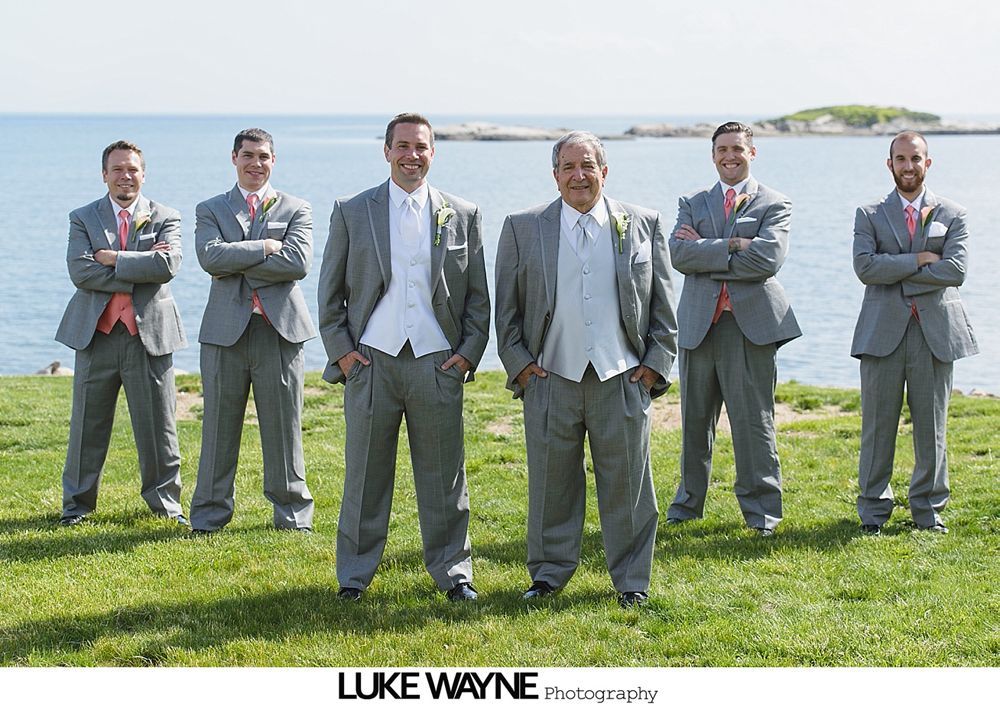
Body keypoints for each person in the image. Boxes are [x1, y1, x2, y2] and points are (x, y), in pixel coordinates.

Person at [494, 131, 677, 607]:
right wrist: (522, 369)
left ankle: (632, 580)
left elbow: (662, 305)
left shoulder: (643, 223)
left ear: (604, 171)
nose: (579, 176)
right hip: (551, 376)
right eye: (569, 167)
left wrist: (654, 367)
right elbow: (506, 311)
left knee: (630, 485)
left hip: (621, 376)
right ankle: (549, 574)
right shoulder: (522, 226)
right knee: (552, 482)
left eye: (588, 166)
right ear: (555, 175)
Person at [318, 113, 490, 602]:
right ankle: (354, 576)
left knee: (444, 478)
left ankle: (454, 574)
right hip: (372, 360)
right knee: (365, 476)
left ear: (433, 152)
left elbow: (478, 296)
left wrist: (466, 356)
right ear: (386, 150)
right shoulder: (353, 211)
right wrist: (344, 355)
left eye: (421, 147)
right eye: (402, 146)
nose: (411, 155)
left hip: (437, 362)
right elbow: (329, 295)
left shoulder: (463, 212)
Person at [666, 121, 801, 537]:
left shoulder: (775, 203)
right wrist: (733, 244)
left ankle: (762, 513)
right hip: (698, 326)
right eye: (722, 149)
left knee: (753, 423)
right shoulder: (692, 203)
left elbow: (767, 260)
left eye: (738, 149)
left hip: (751, 327)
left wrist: (707, 247)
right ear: (712, 156)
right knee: (694, 423)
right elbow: (678, 255)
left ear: (752, 153)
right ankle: (687, 506)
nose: (730, 156)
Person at [189, 128, 316, 534]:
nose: (255, 163)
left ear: (273, 161)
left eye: (263, 156)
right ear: (234, 158)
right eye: (248, 155)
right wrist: (265, 247)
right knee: (218, 428)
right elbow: (210, 258)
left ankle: (293, 515)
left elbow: (298, 263)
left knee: (284, 427)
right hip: (225, 333)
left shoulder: (297, 208)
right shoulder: (210, 209)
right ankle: (209, 516)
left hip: (279, 332)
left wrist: (236, 257)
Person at [851, 131, 978, 536]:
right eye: (901, 159)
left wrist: (897, 269)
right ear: (890, 164)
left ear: (928, 162)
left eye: (916, 158)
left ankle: (927, 510)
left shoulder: (953, 214)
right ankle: (873, 511)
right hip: (881, 333)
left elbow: (955, 271)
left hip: (935, 332)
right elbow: (865, 269)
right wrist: (921, 260)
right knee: (877, 426)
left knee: (932, 426)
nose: (909, 166)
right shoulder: (868, 214)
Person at [55, 140, 187, 526]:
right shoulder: (83, 217)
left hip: (150, 336)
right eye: (117, 169)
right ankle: (76, 507)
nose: (125, 175)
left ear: (143, 174)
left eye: (132, 169)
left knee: (159, 426)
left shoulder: (166, 216)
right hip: (97, 335)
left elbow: (167, 266)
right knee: (86, 426)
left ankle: (166, 505)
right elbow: (80, 273)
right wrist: (140, 269)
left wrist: (113, 260)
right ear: (104, 175)